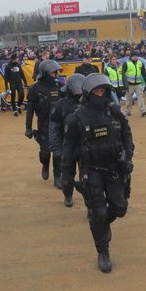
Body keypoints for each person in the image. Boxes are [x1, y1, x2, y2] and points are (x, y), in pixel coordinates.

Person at [60, 74, 134, 273]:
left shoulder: (114, 113)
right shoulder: (76, 118)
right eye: (97, 91)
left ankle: (102, 223)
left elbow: (127, 135)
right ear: (88, 94)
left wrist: (128, 159)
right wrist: (66, 175)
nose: (101, 95)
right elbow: (67, 149)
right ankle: (103, 251)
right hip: (91, 171)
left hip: (114, 169)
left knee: (120, 208)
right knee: (98, 212)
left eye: (103, 91)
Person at [49, 73, 86, 207]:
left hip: (85, 145)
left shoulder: (88, 103)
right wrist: (56, 149)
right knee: (67, 176)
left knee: (87, 175)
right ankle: (68, 194)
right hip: (68, 145)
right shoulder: (60, 105)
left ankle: (89, 199)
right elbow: (54, 129)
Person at [25, 59, 62, 181]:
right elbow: (29, 110)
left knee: (58, 153)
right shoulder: (35, 89)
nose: (55, 75)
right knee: (45, 152)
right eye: (52, 73)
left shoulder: (60, 87)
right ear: (45, 73)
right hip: (43, 124)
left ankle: (57, 176)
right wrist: (28, 128)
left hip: (58, 124)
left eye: (56, 73)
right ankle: (45, 164)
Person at [122, 52, 146, 117]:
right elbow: (122, 74)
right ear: (131, 57)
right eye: (134, 56)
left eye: (137, 56)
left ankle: (143, 111)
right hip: (129, 84)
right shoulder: (126, 63)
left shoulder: (140, 63)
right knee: (129, 99)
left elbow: (143, 72)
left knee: (140, 98)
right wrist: (124, 84)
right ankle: (128, 111)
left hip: (138, 84)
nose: (136, 57)